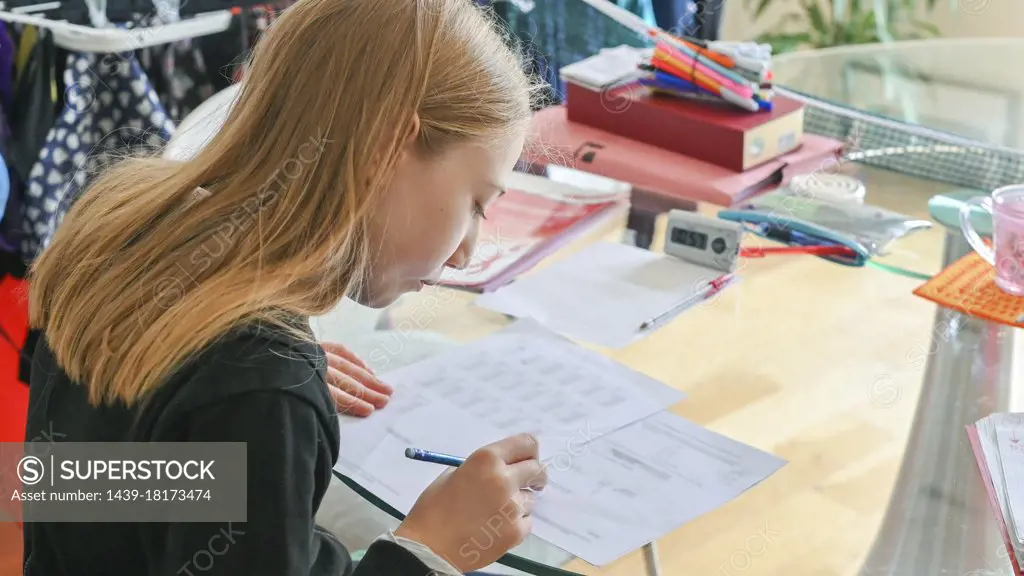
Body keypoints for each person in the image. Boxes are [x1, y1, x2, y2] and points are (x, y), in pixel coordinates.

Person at [22, 0, 548, 574]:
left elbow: (75, 484)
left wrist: (230, 397)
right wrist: (428, 550)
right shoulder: (260, 385)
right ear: (384, 148)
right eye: (475, 204)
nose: (469, 248)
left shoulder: (127, 218)